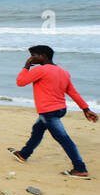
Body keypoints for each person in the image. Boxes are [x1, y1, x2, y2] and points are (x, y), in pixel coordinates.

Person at [9, 45, 95, 177]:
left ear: (43, 56)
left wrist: (26, 66)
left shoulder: (40, 70)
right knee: (37, 130)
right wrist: (85, 109)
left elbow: (20, 82)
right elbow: (73, 92)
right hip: (60, 109)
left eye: (33, 55)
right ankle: (24, 154)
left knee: (63, 139)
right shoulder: (63, 72)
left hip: (48, 112)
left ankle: (80, 168)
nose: (31, 58)